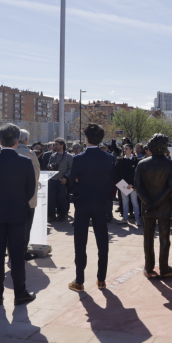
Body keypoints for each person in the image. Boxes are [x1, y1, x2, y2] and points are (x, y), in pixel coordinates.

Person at [0, 123, 37, 306]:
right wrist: (20, 202)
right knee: (17, 254)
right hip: (18, 213)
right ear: (17, 141)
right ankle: (20, 293)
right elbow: (30, 189)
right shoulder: (25, 161)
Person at [67, 124, 116, 292]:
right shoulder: (109, 158)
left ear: (86, 139)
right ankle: (101, 279)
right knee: (102, 242)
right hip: (101, 203)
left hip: (82, 203)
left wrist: (79, 182)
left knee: (80, 242)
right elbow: (111, 181)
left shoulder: (78, 159)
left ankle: (79, 280)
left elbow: (71, 181)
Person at [135, 133, 172, 279]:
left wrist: (149, 203)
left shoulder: (142, 164)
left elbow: (137, 186)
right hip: (164, 206)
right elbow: (171, 187)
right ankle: (164, 267)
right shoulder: (171, 164)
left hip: (148, 207)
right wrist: (157, 203)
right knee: (165, 238)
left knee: (148, 237)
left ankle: (149, 266)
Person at [14, 127, 40, 260]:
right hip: (28, 199)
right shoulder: (30, 154)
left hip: (10, 198)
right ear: (26, 140)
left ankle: (11, 251)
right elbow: (35, 176)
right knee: (26, 227)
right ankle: (23, 252)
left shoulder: (9, 152)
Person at [46, 138, 73, 221]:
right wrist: (50, 166)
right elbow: (48, 165)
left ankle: (62, 215)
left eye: (56, 144)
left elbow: (72, 168)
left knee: (61, 199)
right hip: (52, 180)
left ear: (62, 145)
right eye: (55, 145)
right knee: (51, 198)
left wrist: (65, 176)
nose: (55, 146)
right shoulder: (53, 155)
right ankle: (51, 215)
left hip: (62, 181)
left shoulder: (69, 156)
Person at [115, 143, 140, 225]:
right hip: (123, 185)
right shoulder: (121, 160)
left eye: (126, 148)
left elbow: (138, 175)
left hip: (133, 186)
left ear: (131, 150)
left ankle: (137, 219)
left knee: (135, 202)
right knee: (125, 202)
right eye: (124, 148)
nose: (124, 150)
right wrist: (122, 185)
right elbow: (117, 174)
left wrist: (132, 184)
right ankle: (125, 218)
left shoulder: (136, 161)